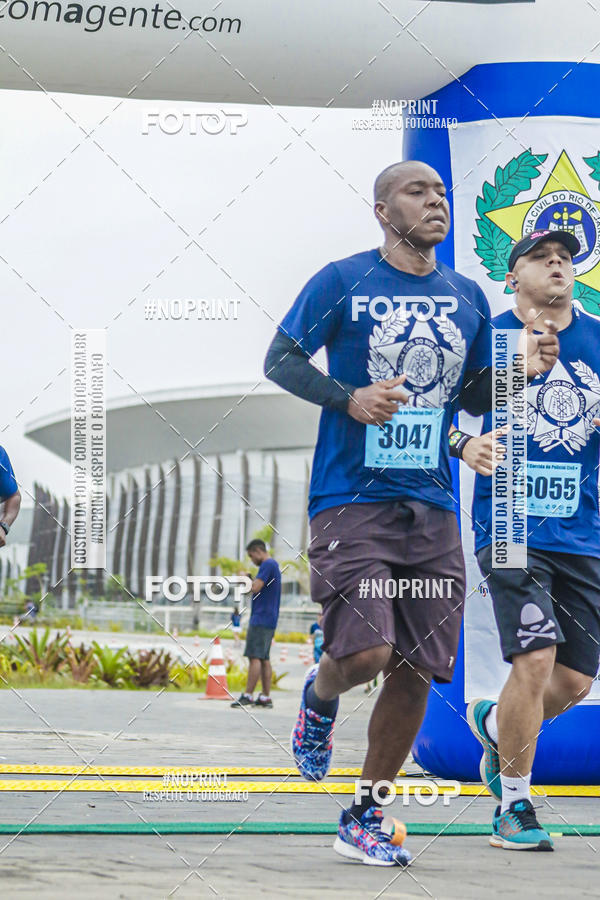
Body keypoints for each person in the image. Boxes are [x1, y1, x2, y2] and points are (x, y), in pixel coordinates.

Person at [264, 160, 559, 866]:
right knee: (364, 653)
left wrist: (524, 368)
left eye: (441, 193)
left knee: (417, 666)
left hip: (431, 506)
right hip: (351, 499)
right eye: (417, 192)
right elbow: (280, 358)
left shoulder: (465, 296)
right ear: (382, 209)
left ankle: (365, 812)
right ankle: (320, 690)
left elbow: (476, 395)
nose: (436, 201)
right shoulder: (343, 280)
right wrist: (348, 397)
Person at [466, 229, 600, 851]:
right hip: (513, 521)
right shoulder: (486, 334)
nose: (557, 264)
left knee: (573, 680)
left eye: (566, 258)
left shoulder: (598, 336)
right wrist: (467, 441)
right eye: (542, 257)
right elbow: (433, 414)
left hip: (582, 529)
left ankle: (496, 723)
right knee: (535, 657)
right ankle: (513, 805)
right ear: (512, 275)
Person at [231, 539, 281, 709]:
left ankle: (247, 695)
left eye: (252, 556)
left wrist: (245, 579)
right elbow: (260, 585)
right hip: (270, 618)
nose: (252, 560)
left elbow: (255, 588)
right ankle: (265, 697)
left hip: (261, 618)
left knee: (255, 657)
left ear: (258, 551)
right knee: (264, 658)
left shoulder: (267, 564)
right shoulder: (272, 566)